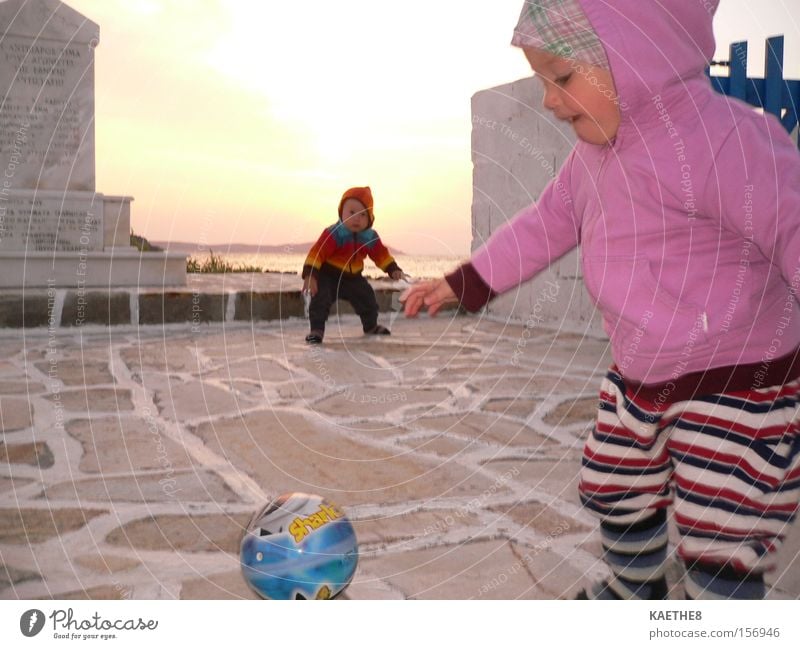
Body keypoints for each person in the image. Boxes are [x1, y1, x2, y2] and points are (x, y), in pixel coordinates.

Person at [402, 0, 800, 600]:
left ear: (639, 56)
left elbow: (792, 224)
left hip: (743, 382)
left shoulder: (723, 142)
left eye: (561, 78)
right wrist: (465, 281)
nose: (549, 100)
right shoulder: (588, 162)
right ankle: (634, 592)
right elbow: (542, 225)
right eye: (542, 82)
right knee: (614, 486)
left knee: (722, 529)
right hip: (640, 376)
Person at [302, 186, 403, 343]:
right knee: (320, 298)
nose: (357, 218)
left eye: (363, 214)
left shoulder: (369, 236)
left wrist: (393, 269)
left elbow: (381, 254)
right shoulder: (334, 233)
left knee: (367, 297)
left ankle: (371, 326)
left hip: (353, 277)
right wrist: (310, 275)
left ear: (370, 218)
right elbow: (317, 253)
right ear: (342, 212)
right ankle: (316, 329)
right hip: (328, 274)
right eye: (352, 212)